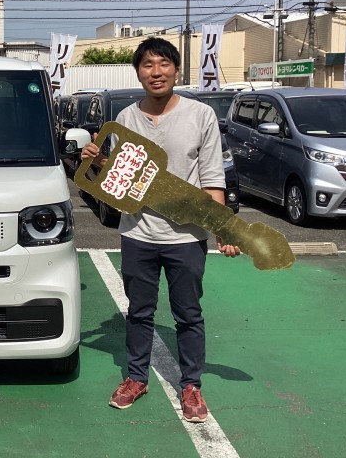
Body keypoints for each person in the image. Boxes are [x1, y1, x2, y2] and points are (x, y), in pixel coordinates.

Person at [80, 37, 240, 423]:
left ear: (176, 70)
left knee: (188, 313)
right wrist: (96, 161)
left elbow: (212, 177)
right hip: (138, 234)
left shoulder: (200, 115)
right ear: (138, 72)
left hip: (187, 237)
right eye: (148, 65)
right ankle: (137, 378)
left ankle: (191, 385)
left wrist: (224, 228)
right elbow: (119, 179)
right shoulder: (125, 119)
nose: (156, 72)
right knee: (139, 312)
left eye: (164, 64)